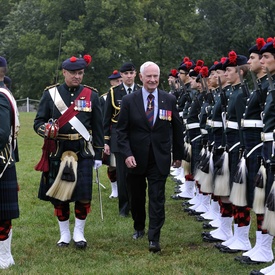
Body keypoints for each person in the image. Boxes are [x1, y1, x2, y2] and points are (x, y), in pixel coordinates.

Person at [33, 55, 104, 249]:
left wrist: (98, 155)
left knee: (83, 195)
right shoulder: (51, 94)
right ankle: (64, 233)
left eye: (80, 73)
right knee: (59, 195)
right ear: (64, 72)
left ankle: (79, 232)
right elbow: (38, 122)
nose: (77, 76)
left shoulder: (92, 95)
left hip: (82, 151)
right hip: (58, 151)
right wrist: (46, 129)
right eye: (73, 73)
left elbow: (98, 128)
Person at [116, 61, 184, 253]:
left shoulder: (169, 99)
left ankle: (154, 237)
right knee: (136, 197)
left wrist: (178, 154)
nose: (153, 80)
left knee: (157, 197)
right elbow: (121, 131)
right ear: (141, 77)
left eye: (155, 76)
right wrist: (126, 154)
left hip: (159, 157)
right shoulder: (130, 101)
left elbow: (177, 128)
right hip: (135, 158)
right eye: (149, 76)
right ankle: (139, 227)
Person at [103, 62, 140, 217]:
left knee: (137, 174)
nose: (129, 76)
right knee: (122, 174)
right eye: (126, 74)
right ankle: (124, 208)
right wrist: (106, 141)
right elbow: (106, 118)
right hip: (119, 137)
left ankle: (136, 205)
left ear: (135, 74)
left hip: (138, 137)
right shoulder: (113, 93)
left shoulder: (141, 90)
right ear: (121, 76)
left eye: (131, 73)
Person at [0, 56, 20, 269]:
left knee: (2, 213)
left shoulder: (0, 95)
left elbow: (2, 133)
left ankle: (4, 256)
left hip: (1, 161)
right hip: (6, 159)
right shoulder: (5, 92)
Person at [100, 70, 122, 199]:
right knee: (112, 164)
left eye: (120, 80)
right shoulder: (103, 98)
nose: (119, 83)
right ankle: (114, 188)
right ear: (111, 82)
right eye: (116, 81)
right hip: (111, 133)